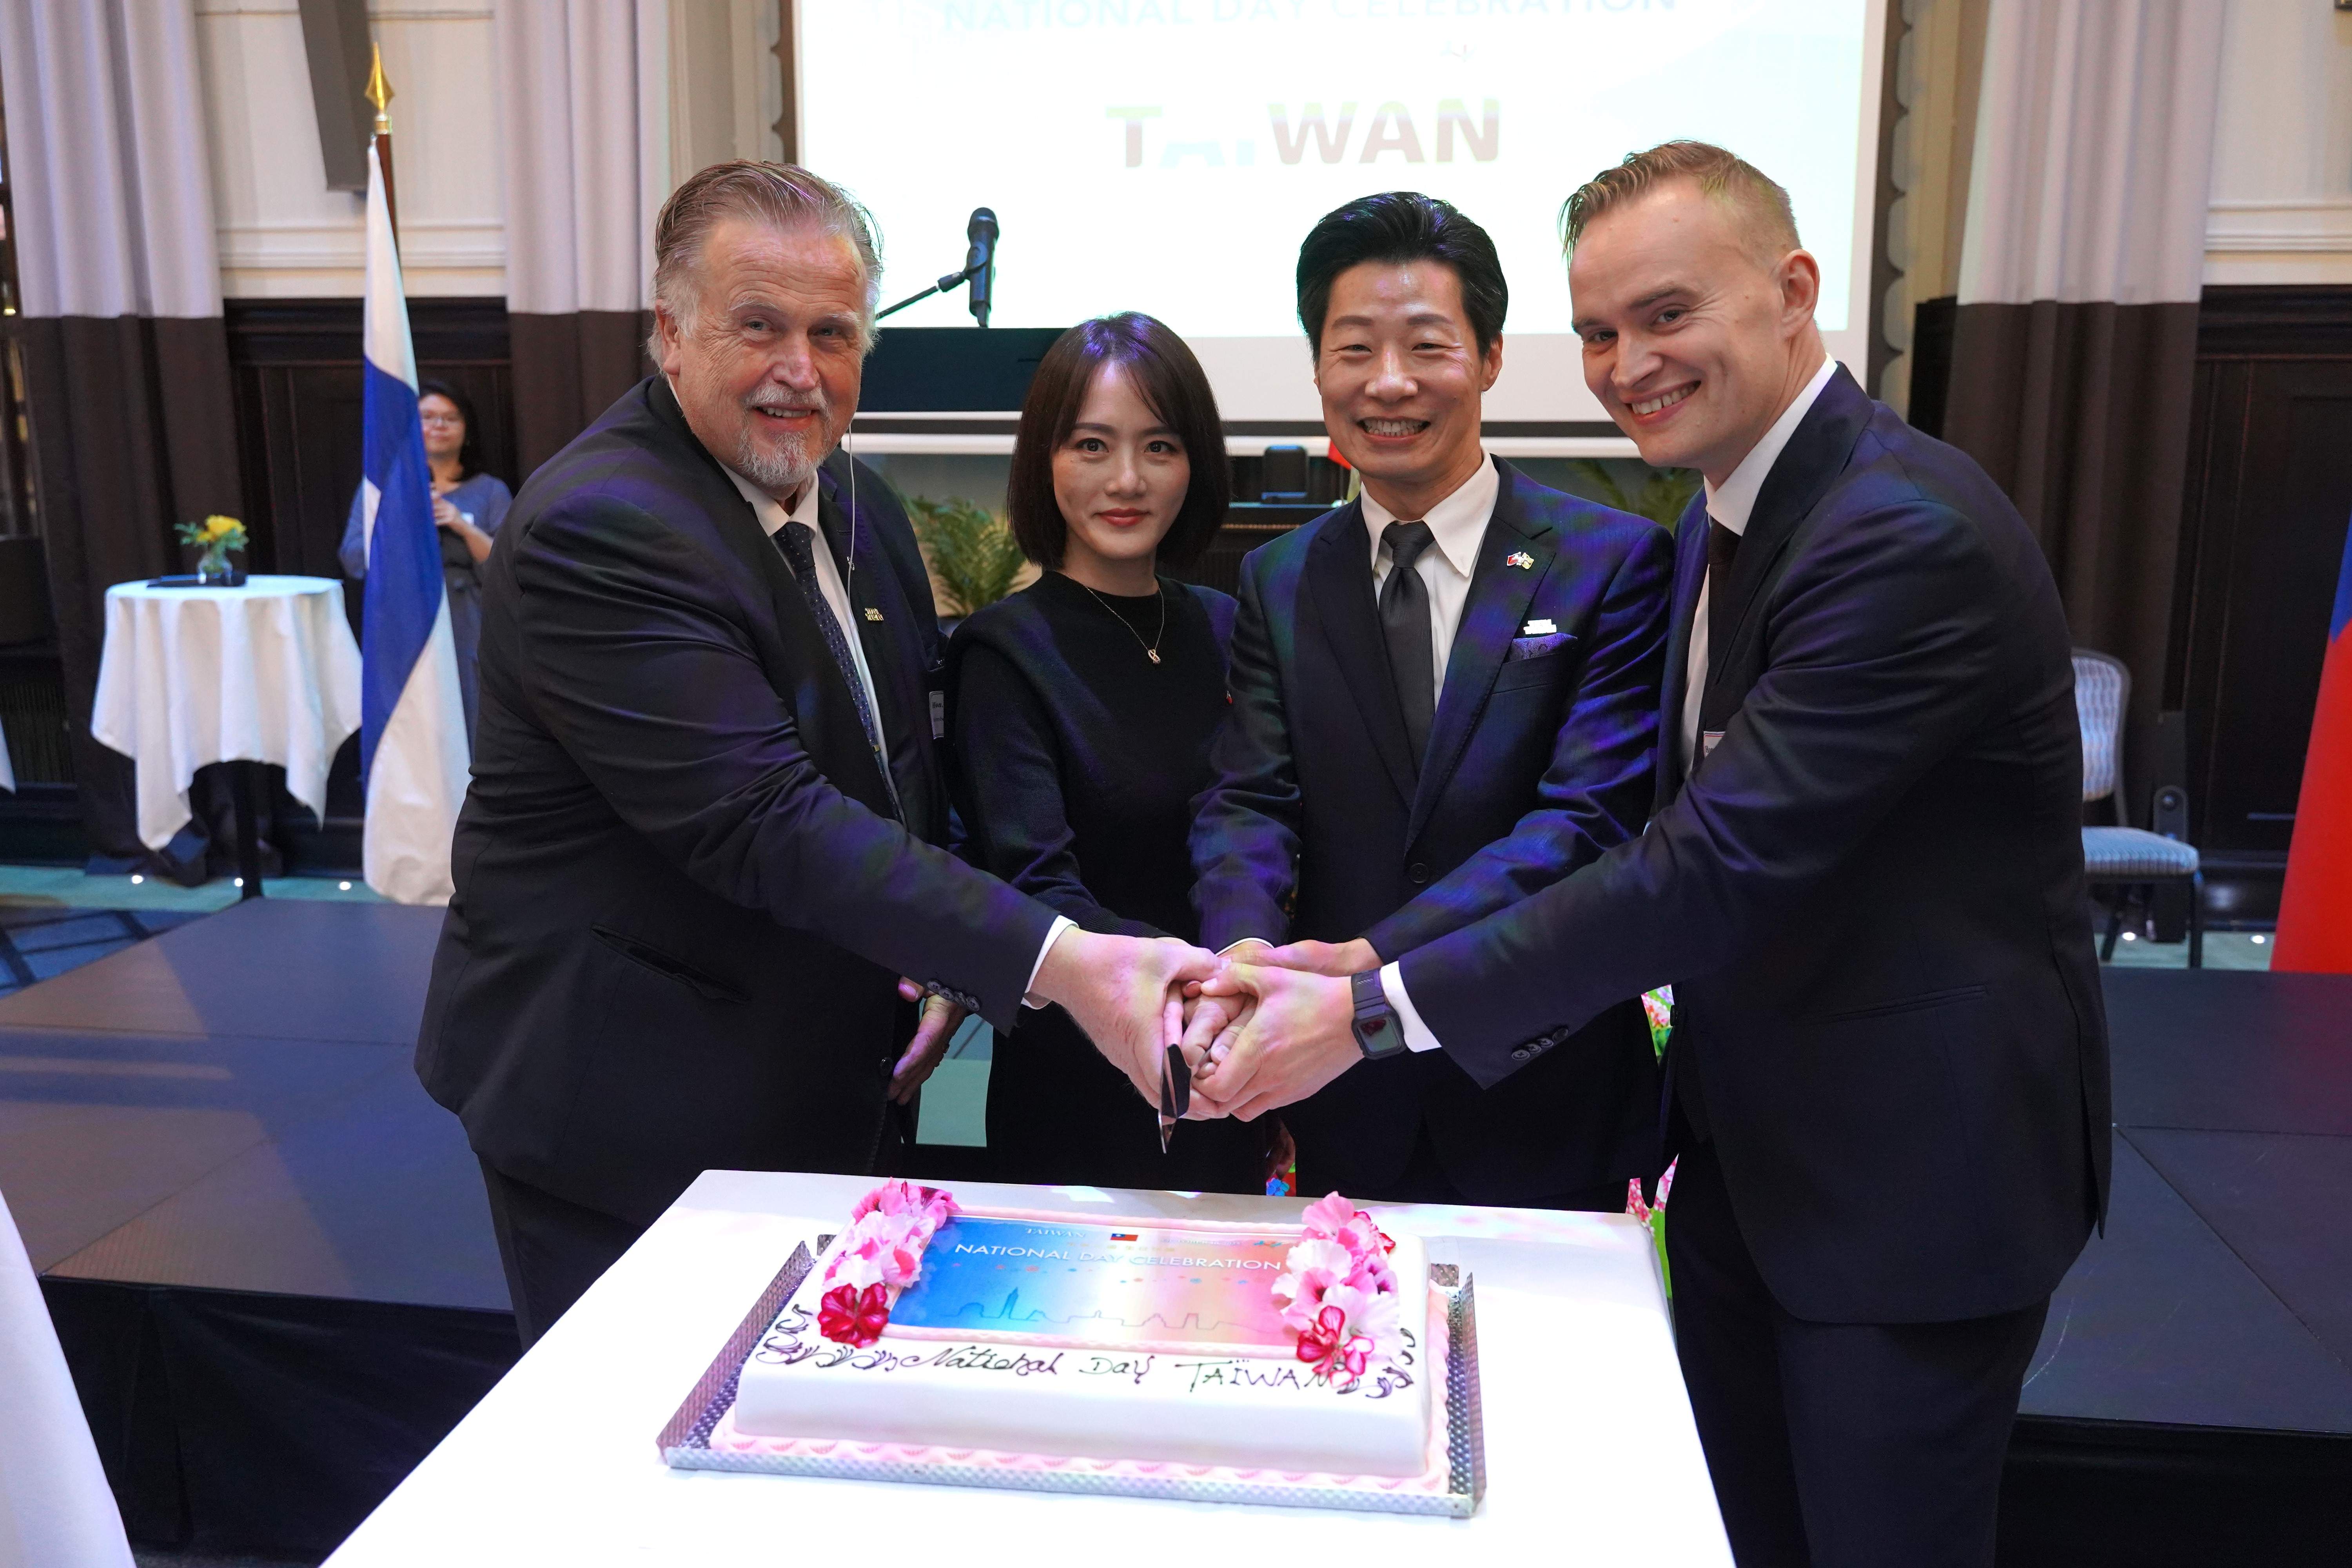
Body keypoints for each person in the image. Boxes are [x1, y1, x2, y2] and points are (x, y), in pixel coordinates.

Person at [1195, 142, 2108, 1568]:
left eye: (1667, 314)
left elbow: (1700, 862)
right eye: (1602, 331)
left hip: (1906, 1183)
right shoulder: (1715, 524)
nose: (1630, 364)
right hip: (1750, 1164)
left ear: (1793, 291)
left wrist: (1369, 1005)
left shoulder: (1897, 530)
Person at [414, 163, 1213, 1347]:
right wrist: (1069, 963)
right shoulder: (605, 524)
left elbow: (897, 775)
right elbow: (766, 819)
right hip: (628, 1117)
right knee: (646, 1434)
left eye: (832, 332)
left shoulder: (856, 502)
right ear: (669, 333)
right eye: (758, 326)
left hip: (833, 1090)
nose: (800, 368)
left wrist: (942, 969)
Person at [1182, 192, 1673, 1209]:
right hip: (1346, 1104)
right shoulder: (1280, 577)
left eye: (1426, 345)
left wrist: (1369, 968)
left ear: (1489, 357)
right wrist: (1244, 953)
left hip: (1543, 1085)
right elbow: (1251, 797)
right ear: (1318, 367)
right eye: (1354, 348)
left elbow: (1584, 825)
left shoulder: (1610, 562)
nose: (1389, 382)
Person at [948, 313, 1261, 1194]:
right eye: (1092, 445)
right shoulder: (1002, 652)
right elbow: (1037, 883)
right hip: (1079, 1077)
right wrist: (1210, 992)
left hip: (1236, 1064)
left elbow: (1268, 831)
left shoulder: (1233, 629)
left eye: (1159, 446)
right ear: (1044, 461)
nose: (1127, 479)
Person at [340, 379, 510, 738]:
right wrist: (400, 521)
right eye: (428, 417)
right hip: (403, 618)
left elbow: (507, 567)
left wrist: (460, 525)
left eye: (451, 418)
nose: (439, 426)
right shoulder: (381, 489)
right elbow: (353, 558)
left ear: (467, 431)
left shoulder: (491, 491)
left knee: (470, 719)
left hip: (468, 621)